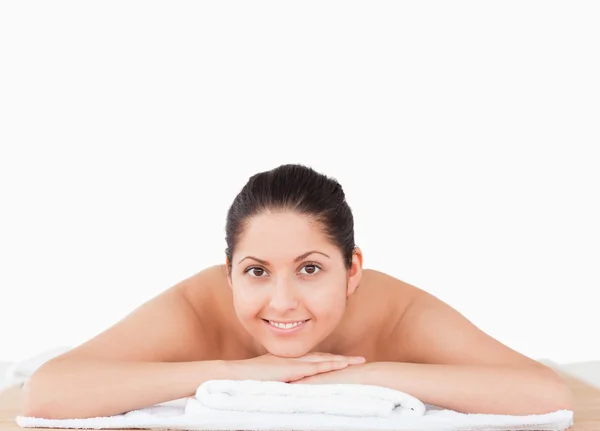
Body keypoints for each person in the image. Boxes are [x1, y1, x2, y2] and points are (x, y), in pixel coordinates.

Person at [21, 163, 573, 420]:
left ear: (351, 269)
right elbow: (48, 391)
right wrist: (237, 372)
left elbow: (544, 393)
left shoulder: (400, 312)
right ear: (230, 270)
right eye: (257, 271)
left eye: (310, 269)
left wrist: (350, 373)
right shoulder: (195, 308)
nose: (282, 301)